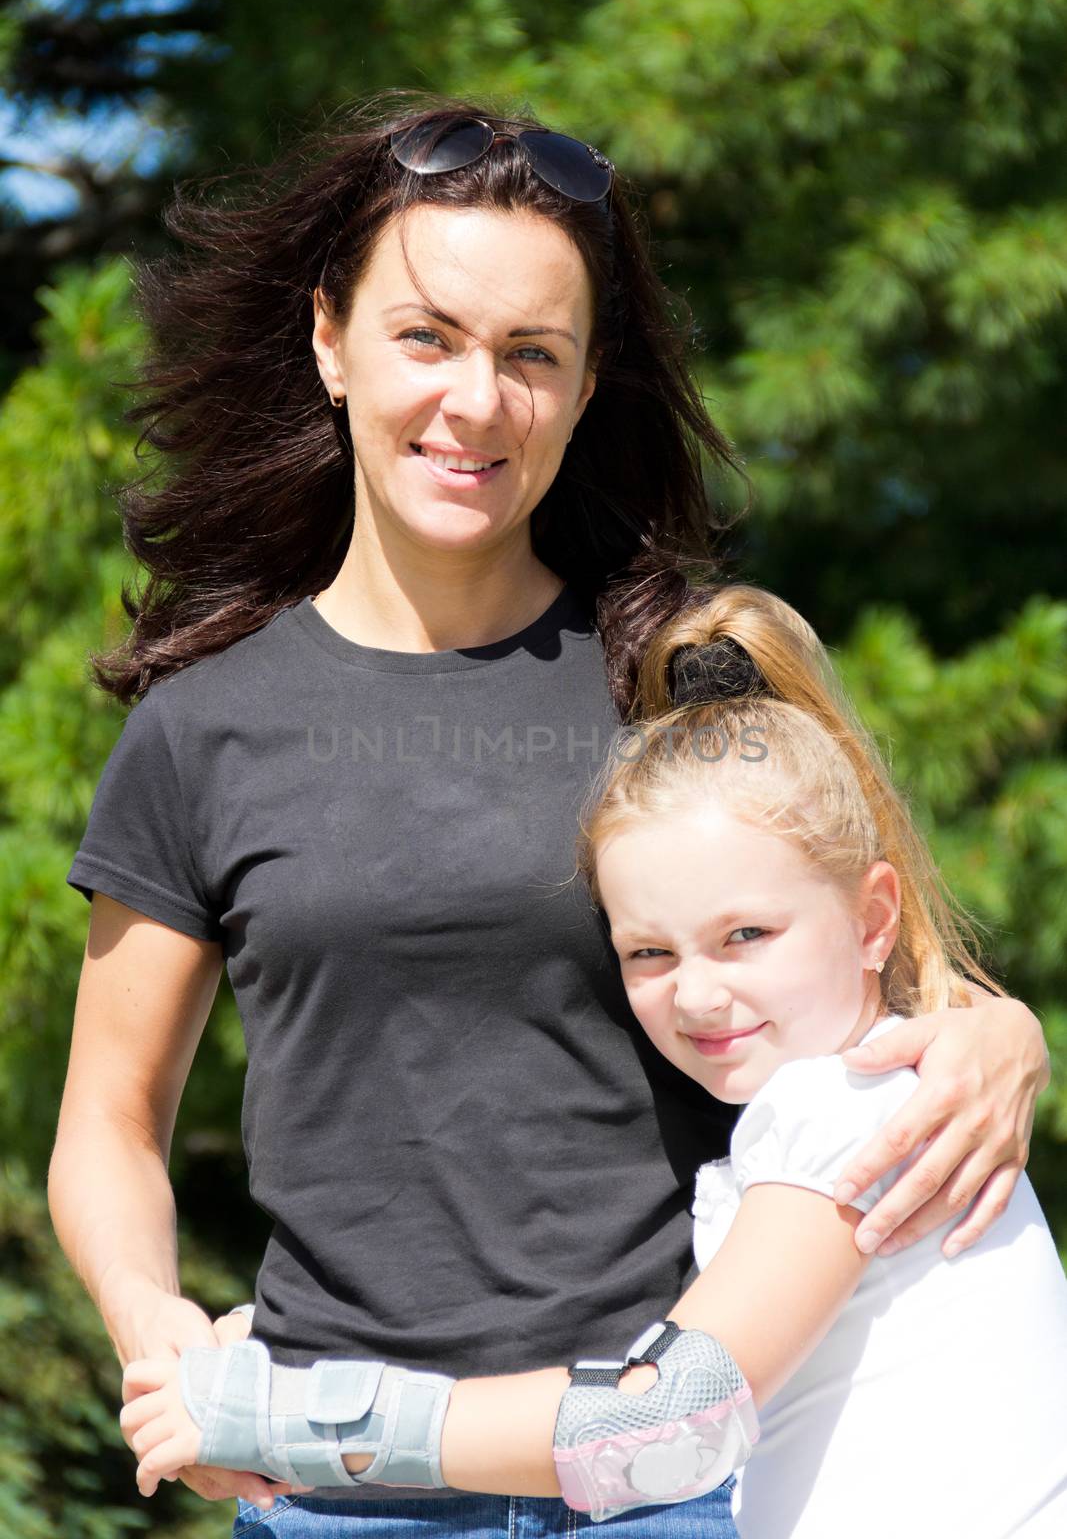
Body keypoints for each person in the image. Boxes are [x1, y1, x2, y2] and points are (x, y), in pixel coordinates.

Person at [48, 92, 1048, 1539]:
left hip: (668, 1482)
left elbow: (894, 985)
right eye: (425, 338)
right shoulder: (199, 732)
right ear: (329, 342)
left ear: (584, 392)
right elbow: (109, 1128)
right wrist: (162, 1346)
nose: (475, 401)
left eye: (531, 356)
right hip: (334, 1490)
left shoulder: (680, 679)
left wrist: (997, 1033)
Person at [120, 584, 1067, 1538]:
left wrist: (293, 1420)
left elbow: (667, 1422)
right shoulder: (859, 1096)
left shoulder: (848, 1114)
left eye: (745, 934)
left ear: (872, 921)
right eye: (648, 954)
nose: (697, 994)